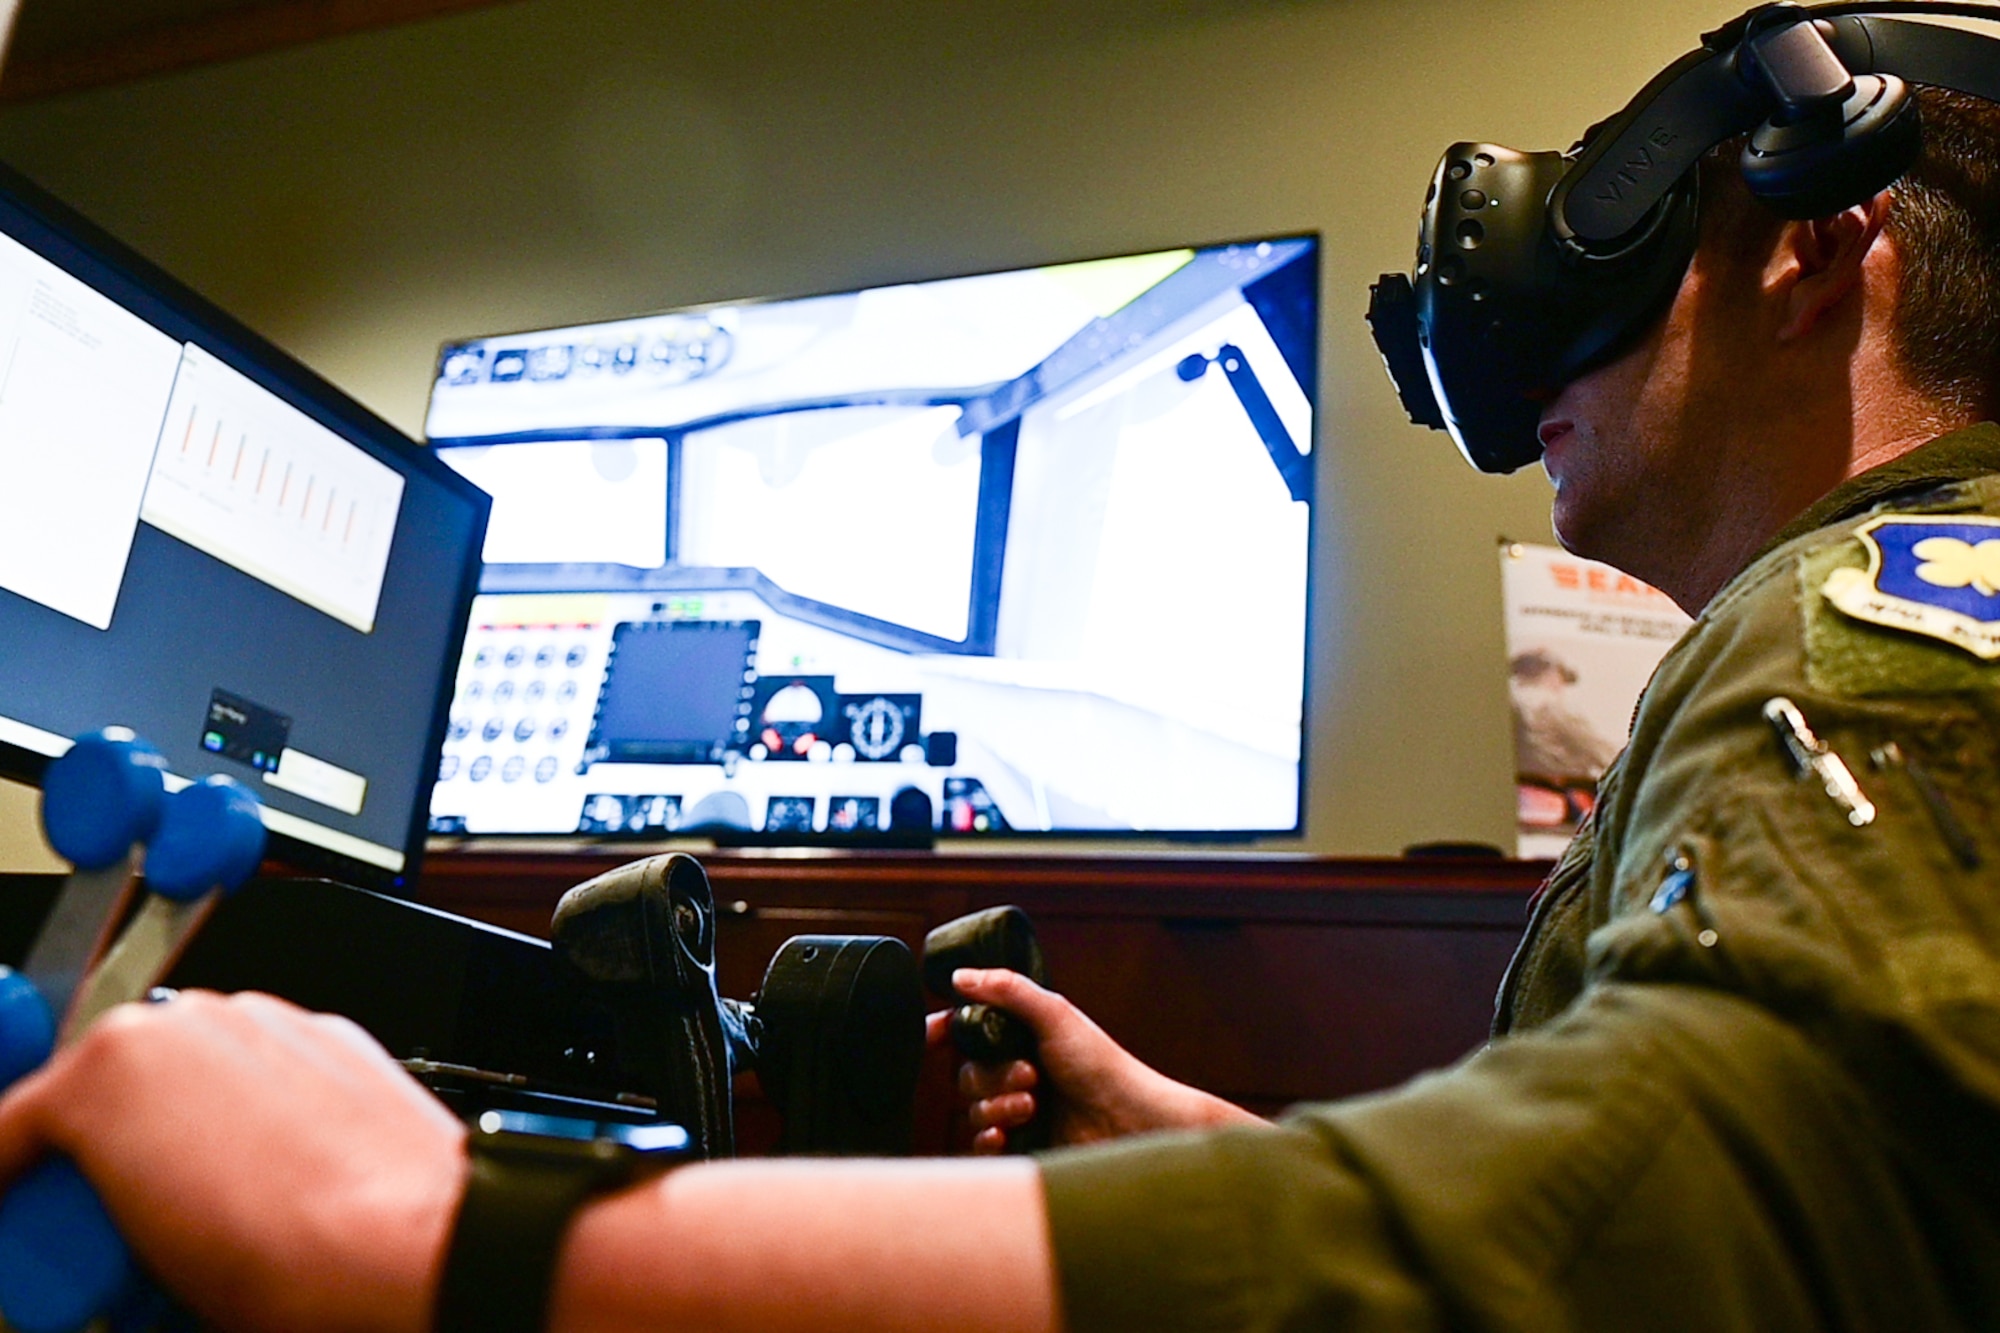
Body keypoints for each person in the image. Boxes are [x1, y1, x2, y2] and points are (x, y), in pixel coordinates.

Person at [8, 69, 2000, 1333]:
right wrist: (1191, 1138)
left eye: (1630, 244)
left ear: (1819, 251)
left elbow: (1700, 1216)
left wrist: (415, 1230)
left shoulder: (1885, 603)